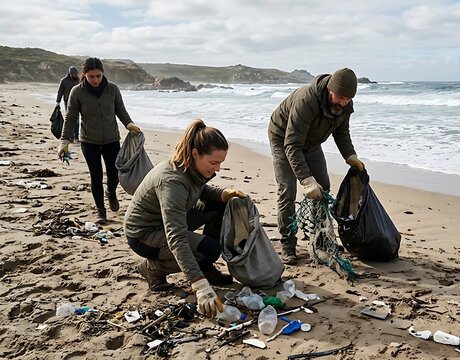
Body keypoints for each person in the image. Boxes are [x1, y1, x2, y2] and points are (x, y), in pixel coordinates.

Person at [124, 118, 244, 317]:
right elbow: (177, 237)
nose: (217, 169)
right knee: (209, 249)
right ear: (195, 153)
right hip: (144, 234)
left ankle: (206, 267)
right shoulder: (172, 181)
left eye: (220, 163)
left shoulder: (190, 166)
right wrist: (199, 285)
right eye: (213, 163)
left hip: (169, 219)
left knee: (220, 205)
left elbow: (199, 188)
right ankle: (152, 267)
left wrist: (222, 194)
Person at [268, 67, 365, 265]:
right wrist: (306, 180)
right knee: (287, 190)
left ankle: (320, 239)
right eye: (339, 97)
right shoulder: (306, 100)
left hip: (311, 143)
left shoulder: (345, 103)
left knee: (323, 187)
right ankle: (288, 245)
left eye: (347, 99)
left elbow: (342, 131)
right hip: (283, 139)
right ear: (329, 89)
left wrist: (350, 155)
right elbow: (292, 144)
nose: (343, 103)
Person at [57, 57, 141, 224]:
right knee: (95, 176)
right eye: (91, 76)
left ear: (103, 74)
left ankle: (110, 192)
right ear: (84, 75)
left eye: (98, 76)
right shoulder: (77, 92)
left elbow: (120, 110)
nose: (95, 80)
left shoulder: (113, 89)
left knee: (114, 174)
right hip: (89, 141)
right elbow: (71, 117)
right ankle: (100, 211)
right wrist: (64, 141)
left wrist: (129, 124)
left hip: (111, 139)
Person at [56, 66, 80, 141]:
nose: (76, 75)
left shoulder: (78, 80)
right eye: (74, 74)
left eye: (77, 74)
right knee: (70, 118)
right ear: (70, 74)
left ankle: (76, 136)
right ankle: (71, 136)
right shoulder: (64, 81)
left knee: (77, 119)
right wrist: (58, 102)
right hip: (68, 102)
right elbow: (60, 91)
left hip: (78, 102)